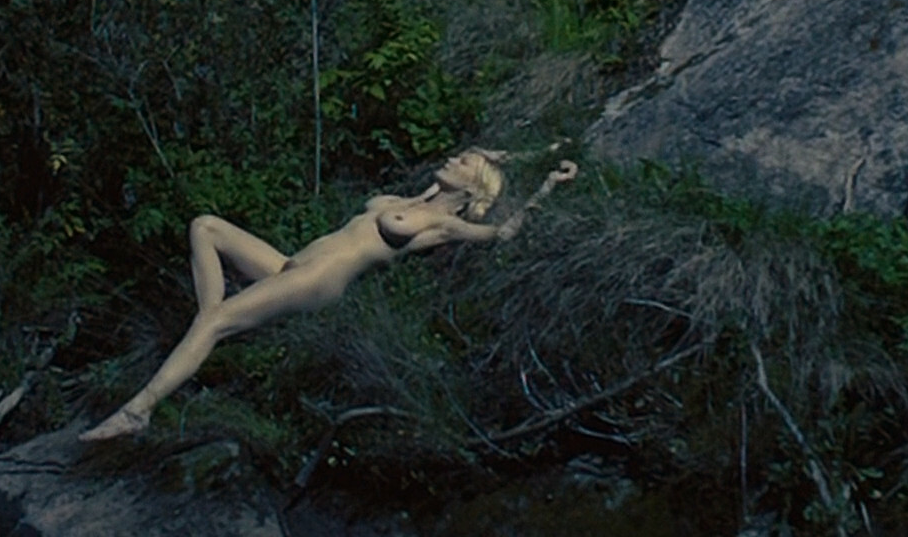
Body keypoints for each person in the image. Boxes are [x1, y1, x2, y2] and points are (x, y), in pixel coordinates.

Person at [78, 148, 578, 442]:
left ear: (473, 188)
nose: (452, 157)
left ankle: (140, 409)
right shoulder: (416, 199)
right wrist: (517, 154)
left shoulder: (442, 224)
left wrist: (548, 185)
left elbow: (505, 232)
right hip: (290, 264)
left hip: (319, 281)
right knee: (205, 226)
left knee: (213, 323)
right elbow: (479, 155)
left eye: (463, 162)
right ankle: (210, 327)